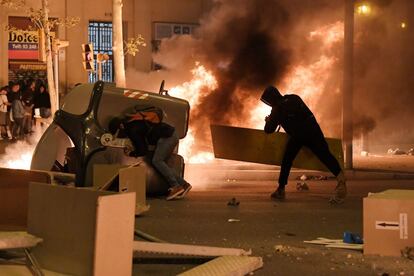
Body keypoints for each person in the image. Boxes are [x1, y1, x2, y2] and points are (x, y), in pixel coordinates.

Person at [261, 85, 347, 204]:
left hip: (298, 136)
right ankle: (341, 180)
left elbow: (269, 130)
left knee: (287, 160)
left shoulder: (277, 109)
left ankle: (281, 190)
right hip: (313, 129)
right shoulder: (293, 98)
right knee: (325, 155)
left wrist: (268, 120)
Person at [108, 109, 192, 201]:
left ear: (121, 126)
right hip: (170, 134)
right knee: (162, 164)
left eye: (118, 132)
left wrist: (131, 153)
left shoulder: (132, 130)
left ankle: (176, 186)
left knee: (157, 161)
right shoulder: (133, 123)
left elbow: (142, 150)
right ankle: (184, 184)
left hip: (167, 137)